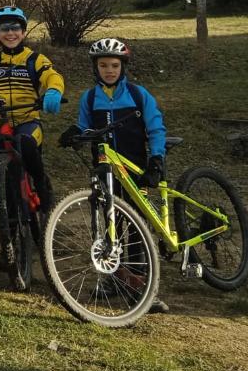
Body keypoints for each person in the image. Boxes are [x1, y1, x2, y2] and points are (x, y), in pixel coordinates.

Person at [59, 37, 169, 313]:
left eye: (115, 65)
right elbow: (85, 129)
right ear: (95, 68)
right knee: (106, 228)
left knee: (136, 230)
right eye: (104, 65)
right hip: (103, 171)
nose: (109, 70)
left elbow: (155, 128)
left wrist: (156, 159)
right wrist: (75, 133)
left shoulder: (137, 94)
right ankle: (111, 279)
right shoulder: (90, 97)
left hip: (135, 171)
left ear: (123, 67)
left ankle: (144, 288)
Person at [0, 5, 64, 269]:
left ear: (24, 31)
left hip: (28, 122)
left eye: (15, 27)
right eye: (4, 28)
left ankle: (42, 189)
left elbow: (53, 76)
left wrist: (52, 91)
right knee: (4, 187)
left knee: (28, 146)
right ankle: (10, 245)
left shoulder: (34, 59)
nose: (10, 33)